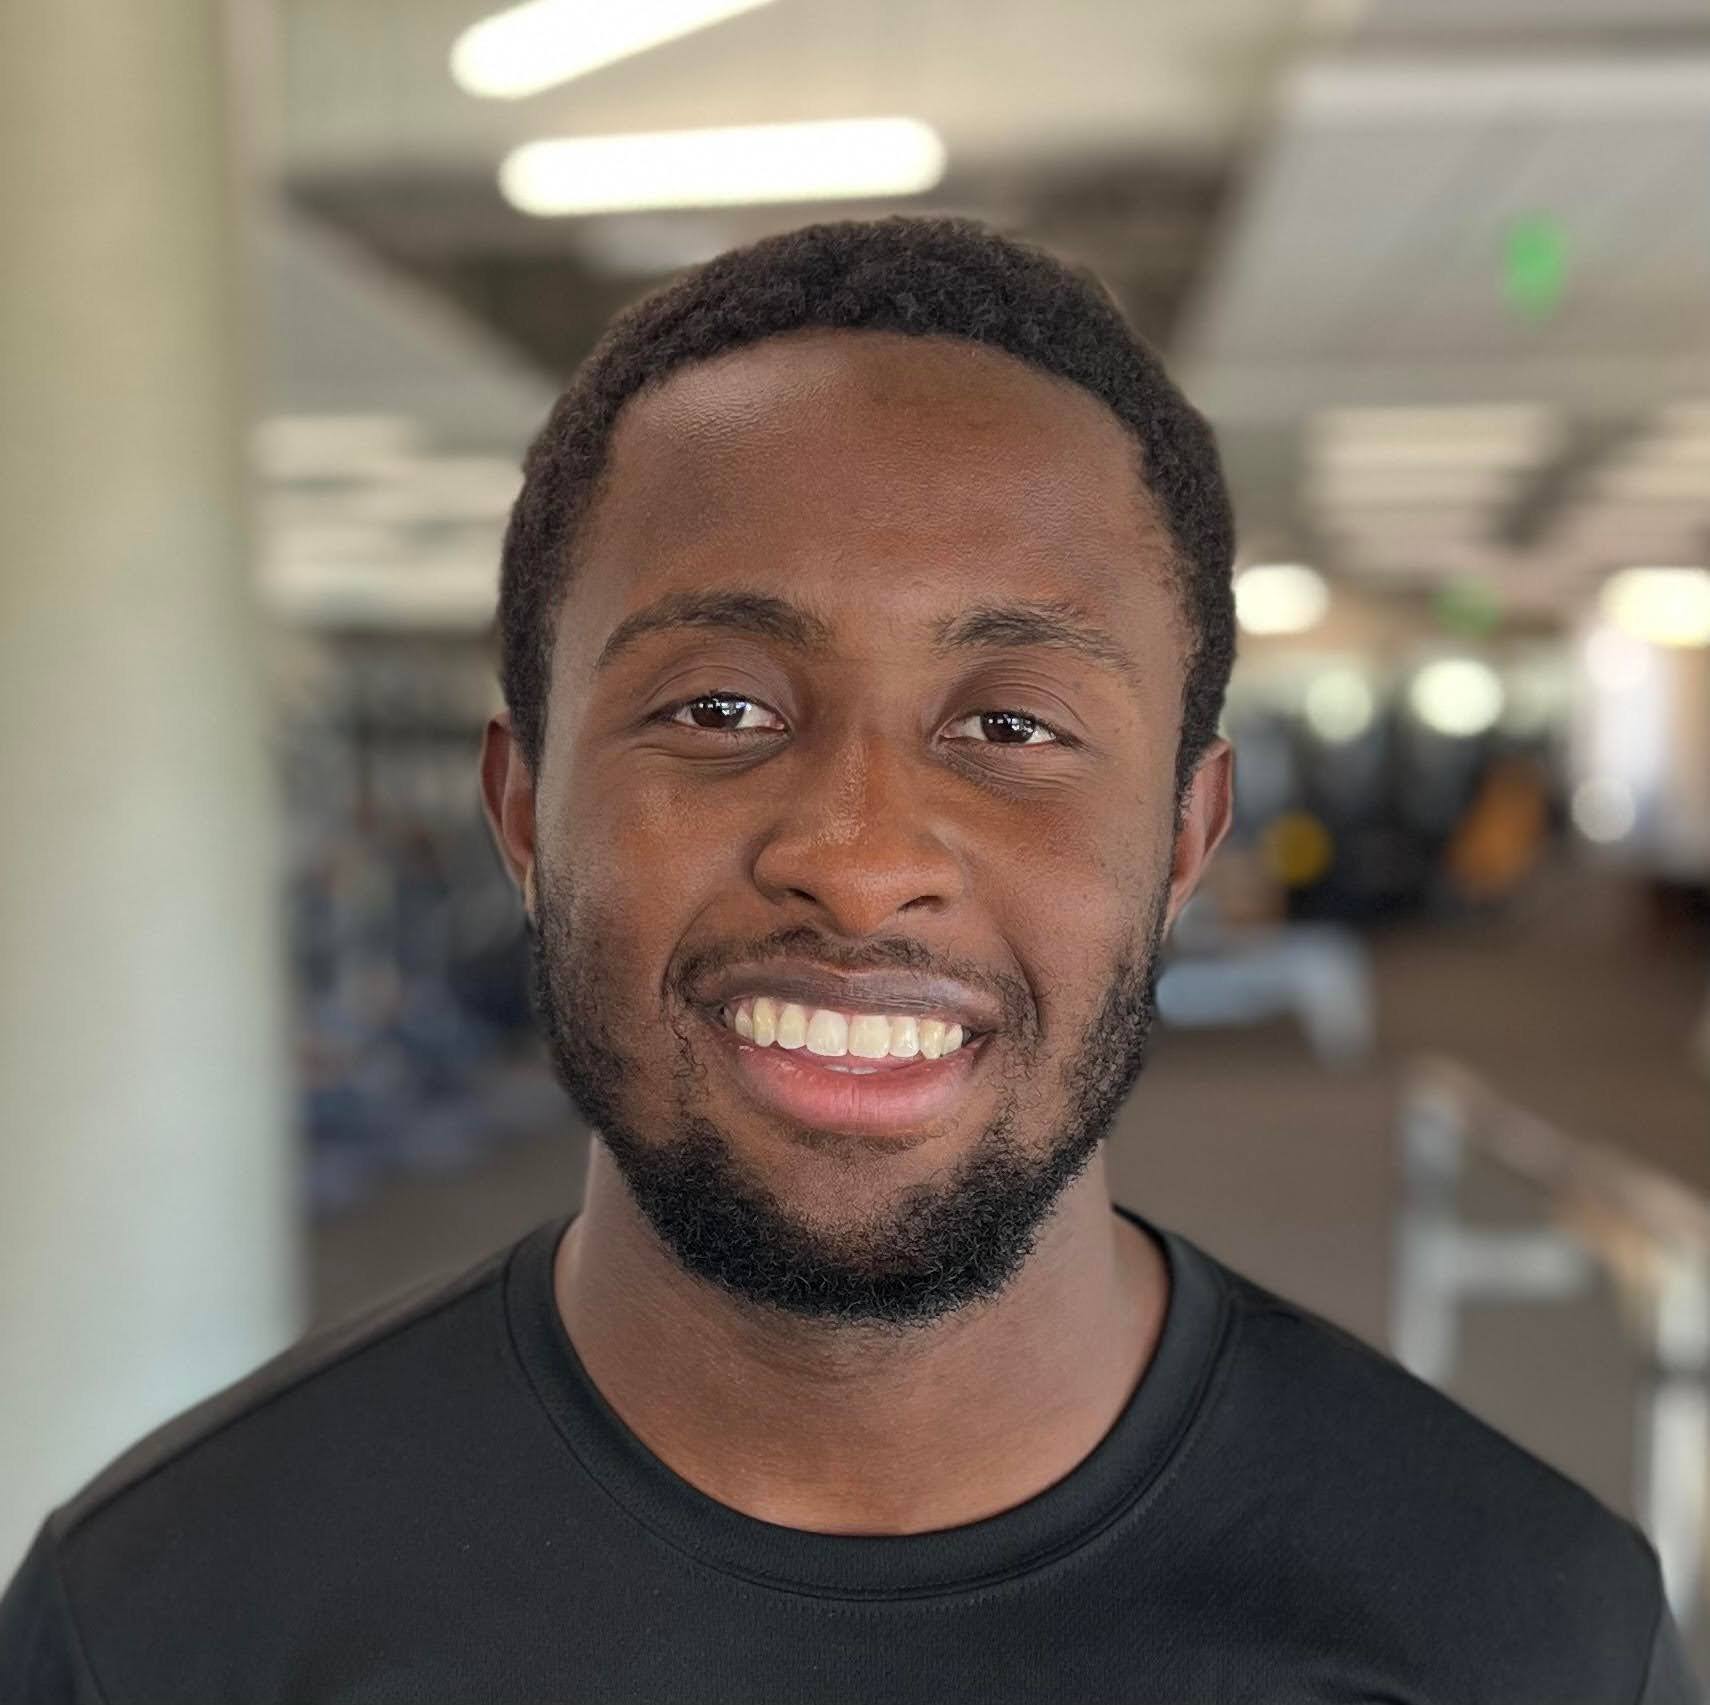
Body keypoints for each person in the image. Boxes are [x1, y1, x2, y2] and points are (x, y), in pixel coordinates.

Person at [1, 216, 1699, 1703]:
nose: (863, 857)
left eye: (1011, 726)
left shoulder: (1518, 1627)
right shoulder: (163, 1620)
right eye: (718, 707)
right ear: (523, 809)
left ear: (1184, 841)